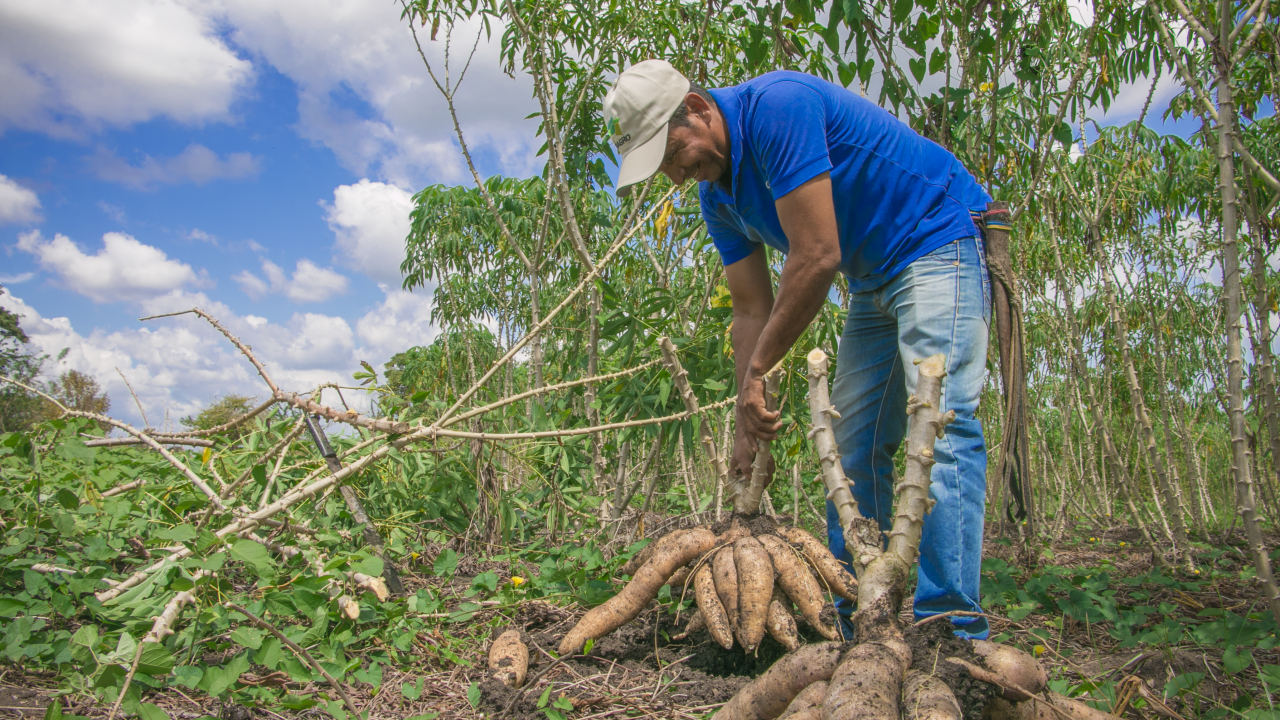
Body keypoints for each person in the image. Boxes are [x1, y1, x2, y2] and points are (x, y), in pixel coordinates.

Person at [603, 59, 992, 639]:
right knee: (855, 447)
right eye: (662, 169)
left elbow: (816, 254)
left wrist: (762, 367)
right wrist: (744, 414)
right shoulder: (720, 200)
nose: (678, 177)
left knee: (939, 428)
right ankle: (864, 617)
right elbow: (750, 311)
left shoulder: (778, 108)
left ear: (697, 108)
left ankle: (951, 628)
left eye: (672, 154)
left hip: (935, 239)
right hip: (873, 278)